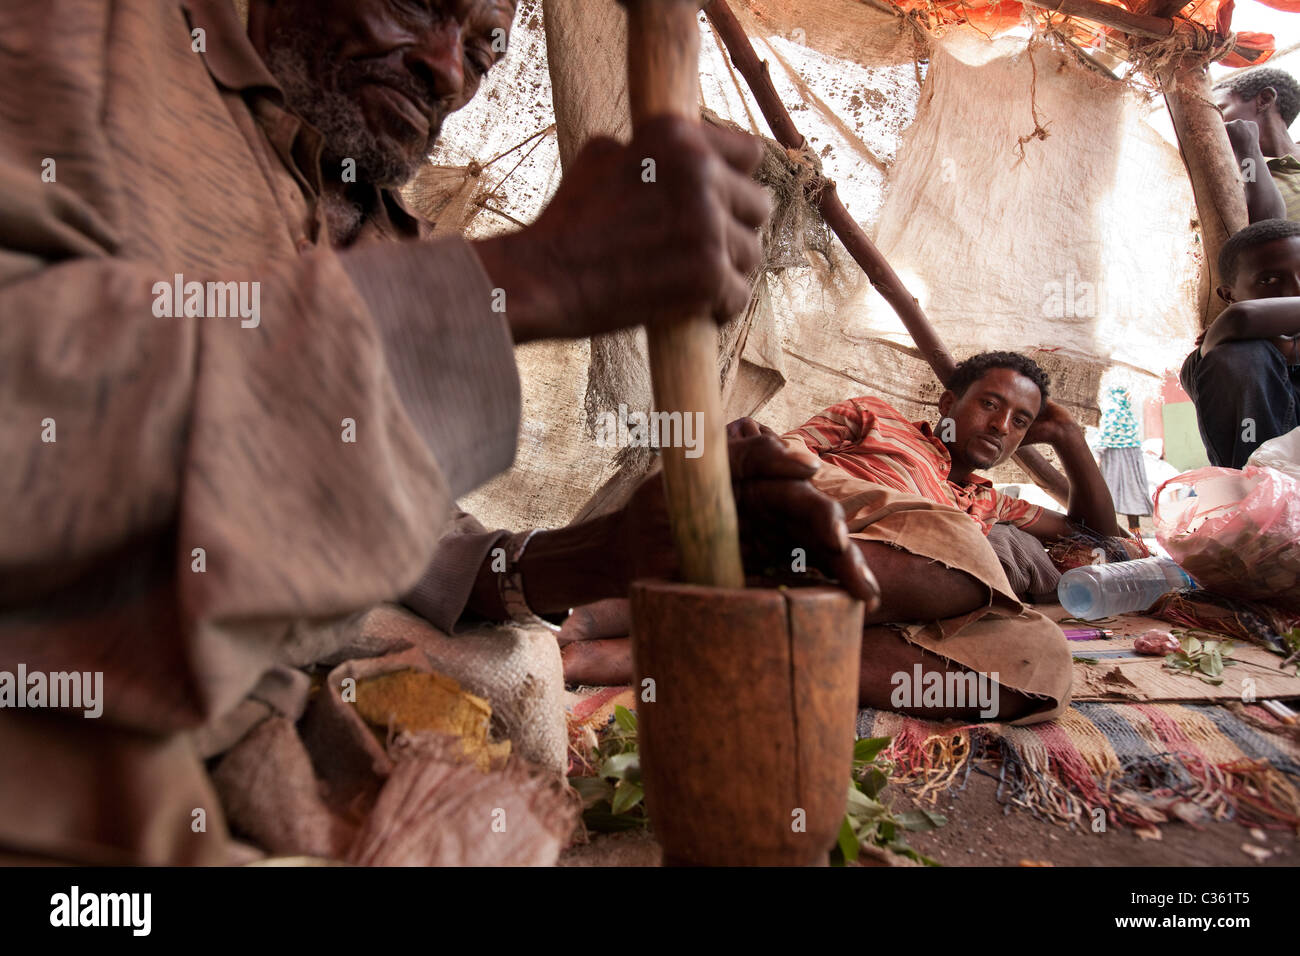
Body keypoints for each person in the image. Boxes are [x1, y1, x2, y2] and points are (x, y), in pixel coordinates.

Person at [0, 0, 876, 864]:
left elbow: (424, 553)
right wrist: (528, 278)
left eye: (486, 43)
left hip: (215, 774)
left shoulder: (371, 220)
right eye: (420, 3)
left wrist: (618, 547)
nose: (447, 67)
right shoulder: (81, 36)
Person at [563, 352, 1123, 725]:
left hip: (887, 588)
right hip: (812, 521)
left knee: (1042, 663)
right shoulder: (875, 416)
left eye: (1022, 421)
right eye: (990, 404)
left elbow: (1094, 531)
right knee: (956, 539)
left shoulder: (987, 500)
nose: (1002, 427)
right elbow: (786, 452)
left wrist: (1071, 437)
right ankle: (607, 619)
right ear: (949, 404)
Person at [1180, 219, 1300, 469]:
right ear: (1229, 295)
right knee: (1240, 358)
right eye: (1270, 280)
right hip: (1267, 497)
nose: (1295, 290)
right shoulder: (1229, 357)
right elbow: (1239, 318)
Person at [1216, 67, 1300, 224]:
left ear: (1264, 100)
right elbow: (1266, 230)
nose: (1210, 125)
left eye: (1219, 111)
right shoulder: (1243, 178)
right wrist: (1247, 150)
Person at [1096, 385, 1151, 536]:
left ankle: (1108, 530)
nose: (1129, 396)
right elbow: (1108, 431)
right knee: (1130, 491)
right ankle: (1133, 529)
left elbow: (1105, 433)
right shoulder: (1120, 409)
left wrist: (1097, 452)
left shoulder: (1115, 408)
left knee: (1109, 490)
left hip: (1117, 455)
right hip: (1125, 455)